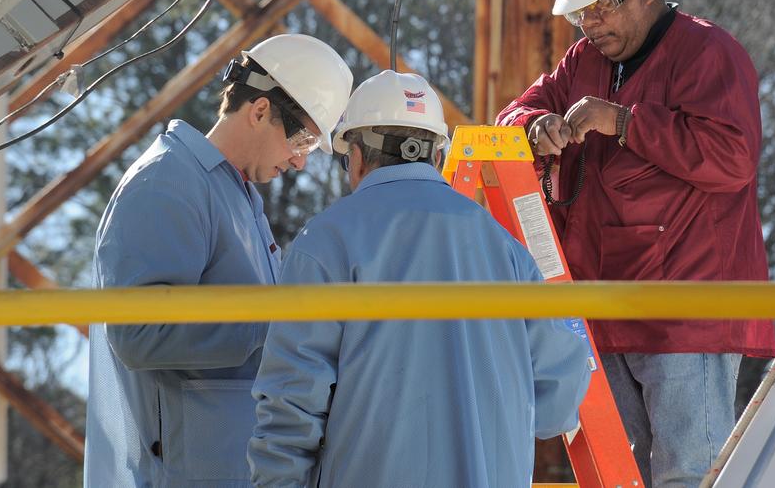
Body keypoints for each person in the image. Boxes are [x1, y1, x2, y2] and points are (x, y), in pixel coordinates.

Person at [496, 0, 775, 488]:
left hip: (685, 316)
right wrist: (534, 127)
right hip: (606, 310)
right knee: (619, 478)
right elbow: (512, 114)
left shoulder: (707, 54)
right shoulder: (584, 61)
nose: (590, 25)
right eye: (580, 13)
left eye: (601, 7)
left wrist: (623, 122)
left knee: (686, 477)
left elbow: (732, 157)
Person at [248, 70, 592, 488]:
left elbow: (290, 405)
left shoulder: (324, 243)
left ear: (355, 156)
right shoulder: (506, 250)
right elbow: (557, 401)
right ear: (437, 157)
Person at [84, 34, 353, 487]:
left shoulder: (234, 195)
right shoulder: (167, 182)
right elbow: (138, 336)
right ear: (261, 110)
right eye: (303, 138)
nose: (301, 162)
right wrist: (275, 325)